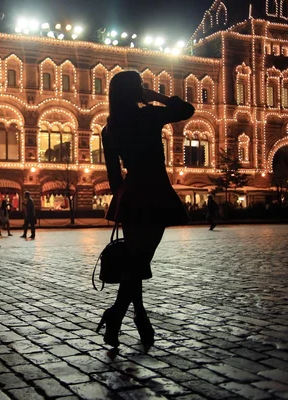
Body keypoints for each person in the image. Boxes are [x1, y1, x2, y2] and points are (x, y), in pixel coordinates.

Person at [98, 70, 194, 351]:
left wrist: (124, 197)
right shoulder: (148, 115)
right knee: (139, 262)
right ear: (133, 91)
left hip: (130, 195)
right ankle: (119, 317)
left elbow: (114, 175)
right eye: (140, 86)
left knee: (135, 262)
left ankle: (135, 317)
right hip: (154, 192)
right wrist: (157, 97)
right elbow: (186, 109)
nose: (144, 88)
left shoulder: (110, 127)